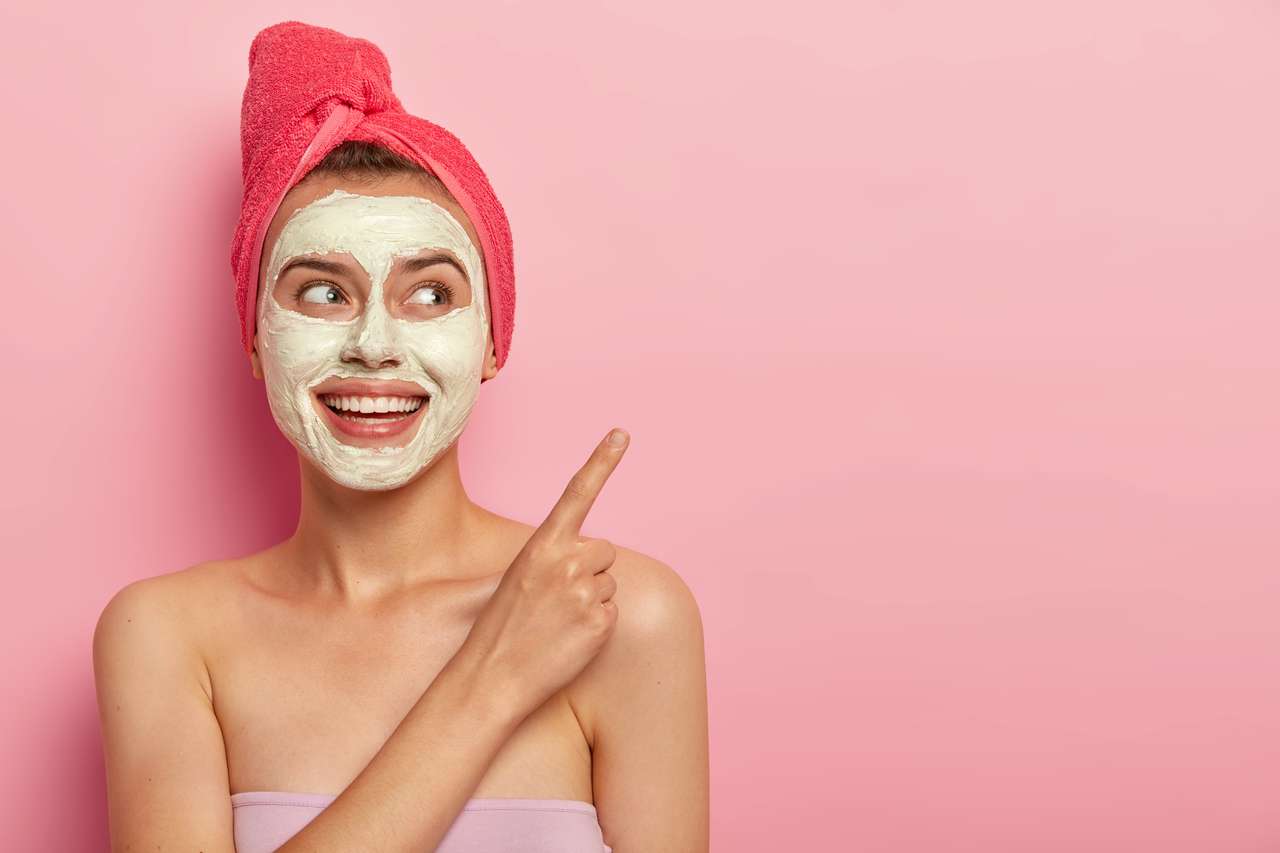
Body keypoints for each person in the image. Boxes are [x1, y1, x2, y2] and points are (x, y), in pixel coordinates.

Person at [91, 21, 709, 853]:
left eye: (429, 294)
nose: (374, 344)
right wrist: (490, 676)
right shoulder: (166, 637)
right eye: (322, 292)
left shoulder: (619, 613)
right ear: (255, 337)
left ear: (492, 342)